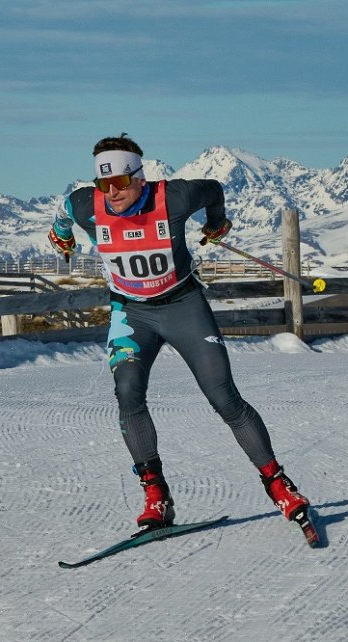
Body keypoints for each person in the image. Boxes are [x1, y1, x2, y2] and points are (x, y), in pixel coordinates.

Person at [48, 133, 311, 531]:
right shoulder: (86, 204)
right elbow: (64, 214)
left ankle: (277, 484)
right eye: (104, 184)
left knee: (224, 397)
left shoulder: (172, 197)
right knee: (128, 394)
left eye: (120, 182)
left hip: (183, 306)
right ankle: (156, 496)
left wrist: (217, 222)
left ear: (139, 176)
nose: (112, 192)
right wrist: (61, 236)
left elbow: (214, 189)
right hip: (130, 314)